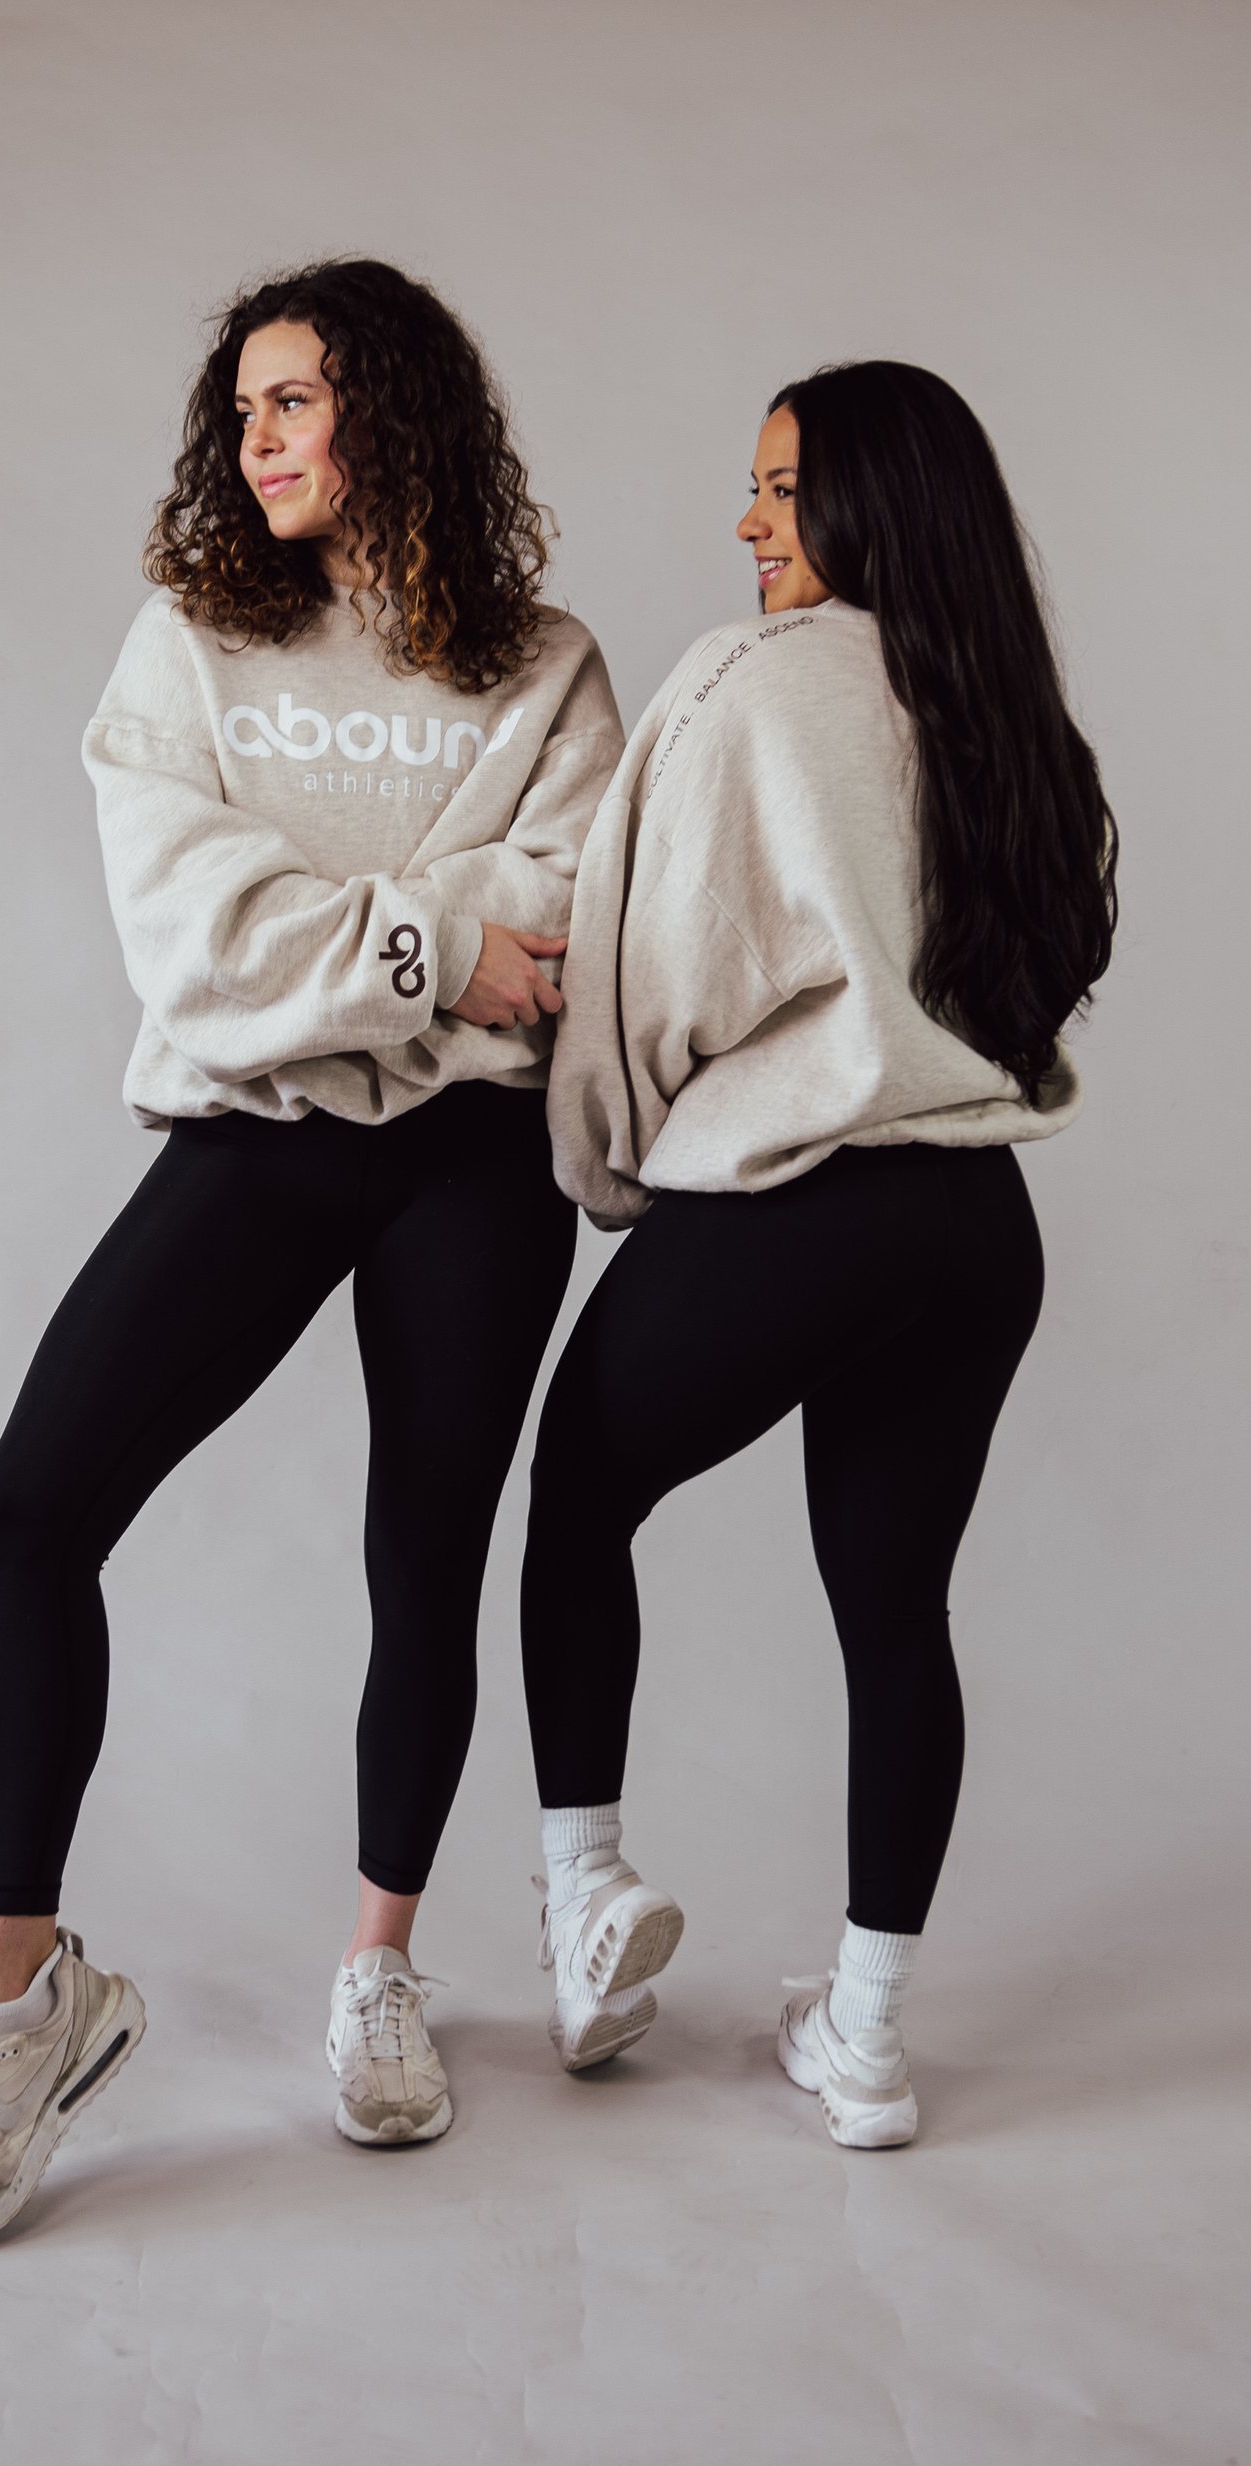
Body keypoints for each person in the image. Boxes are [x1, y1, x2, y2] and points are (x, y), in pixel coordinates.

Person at [0, 258, 624, 2256]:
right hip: (262, 1135)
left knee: (426, 1550)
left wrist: (352, 932)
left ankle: (382, 1965)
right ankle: (19, 2011)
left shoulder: (548, 669)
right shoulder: (191, 647)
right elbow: (195, 936)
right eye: (241, 411)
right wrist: (431, 941)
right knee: (32, 1509)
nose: (258, 438)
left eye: (294, 399)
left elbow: (563, 918)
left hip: (474, 1159)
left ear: (393, 408)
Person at [519, 361, 1117, 2145]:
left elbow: (647, 971)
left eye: (781, 490)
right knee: (896, 1609)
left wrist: (611, 1168)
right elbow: (1049, 968)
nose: (747, 523)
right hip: (977, 1224)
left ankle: (586, 1900)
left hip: (803, 1200)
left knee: (576, 1494)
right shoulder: (1007, 710)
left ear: (870, 502)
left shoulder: (750, 681)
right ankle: (864, 2037)